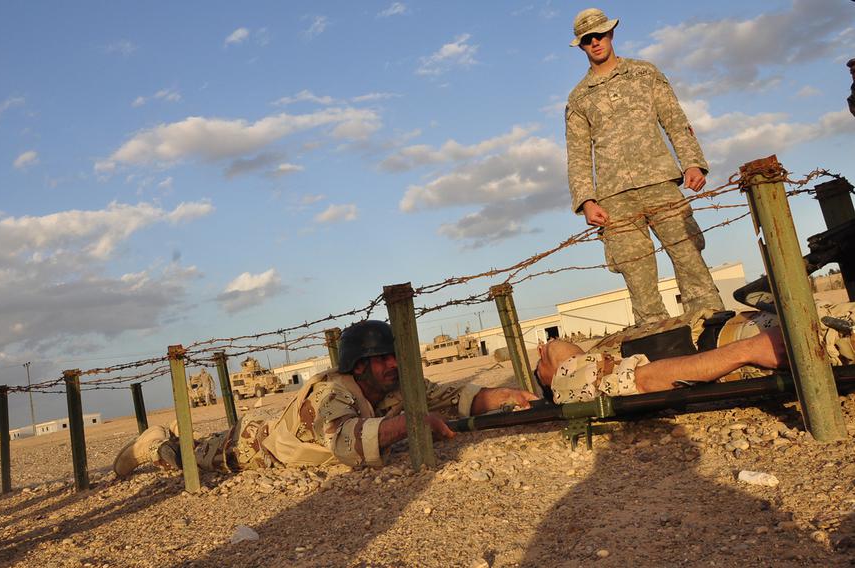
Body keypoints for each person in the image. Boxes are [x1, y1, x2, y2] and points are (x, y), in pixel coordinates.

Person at [115, 320, 538, 476]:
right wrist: (413, 424)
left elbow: (446, 397)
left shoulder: (392, 387)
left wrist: (503, 394)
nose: (394, 365)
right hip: (249, 447)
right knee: (186, 458)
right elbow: (345, 440)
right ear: (359, 366)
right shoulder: (330, 394)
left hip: (271, 441)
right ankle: (152, 443)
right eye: (383, 358)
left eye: (396, 356)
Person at [565, 8, 724, 325]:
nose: (596, 42)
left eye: (600, 34)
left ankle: (712, 325)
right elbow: (578, 153)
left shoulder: (645, 74)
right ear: (581, 46)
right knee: (637, 275)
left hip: (660, 183)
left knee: (689, 256)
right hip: (614, 199)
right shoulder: (578, 98)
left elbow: (675, 122)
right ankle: (657, 338)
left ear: (611, 33)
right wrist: (586, 200)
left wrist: (692, 163)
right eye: (587, 39)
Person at [533, 302, 855, 404]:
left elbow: (557, 351)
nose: (545, 351)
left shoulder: (593, 358)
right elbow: (646, 381)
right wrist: (748, 350)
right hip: (754, 341)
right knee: (837, 336)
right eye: (542, 362)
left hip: (747, 325)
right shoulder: (582, 382)